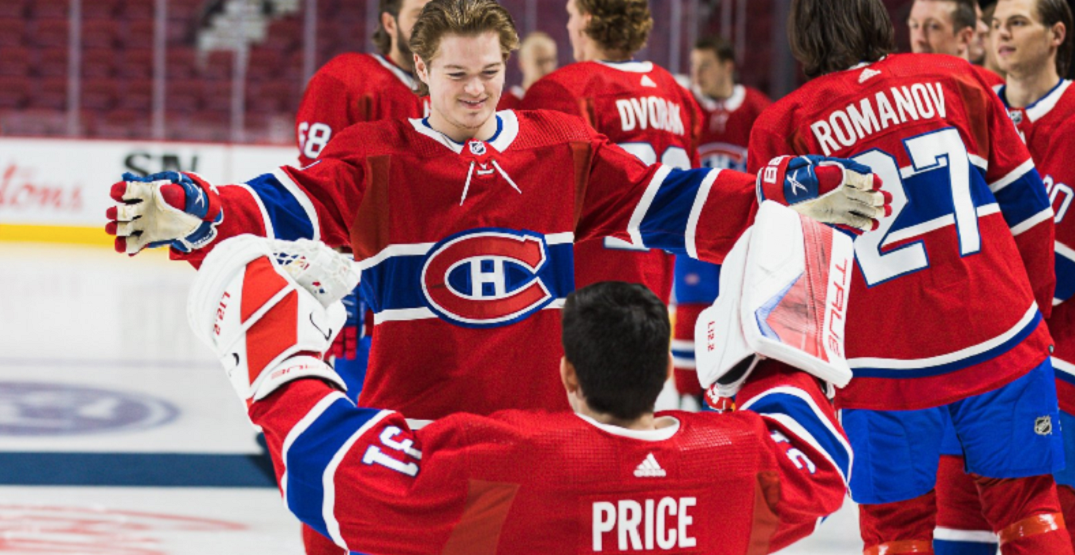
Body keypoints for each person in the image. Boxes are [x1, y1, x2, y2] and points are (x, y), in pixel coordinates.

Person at [187, 233, 852, 555]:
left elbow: (332, 473)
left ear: (568, 372)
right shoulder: (735, 459)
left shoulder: (508, 456)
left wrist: (283, 352)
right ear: (662, 369)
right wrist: (775, 349)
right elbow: (817, 455)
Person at [746, 0, 1066, 554]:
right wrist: (1030, 315)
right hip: (998, 332)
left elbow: (780, 272)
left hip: (883, 363)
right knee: (1030, 513)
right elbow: (1032, 213)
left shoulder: (784, 124)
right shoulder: (956, 77)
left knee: (898, 534)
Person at [933, 1, 1075, 553]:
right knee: (954, 540)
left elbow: (1058, 274)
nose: (1002, 35)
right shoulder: (971, 112)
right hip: (968, 376)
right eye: (997, 26)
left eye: (1018, 23)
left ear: (1057, 33)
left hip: (1055, 372)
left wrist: (964, 277)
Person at [517, 0, 704, 306]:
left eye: (571, 15)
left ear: (587, 20)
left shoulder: (563, 90)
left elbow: (530, 204)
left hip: (583, 295)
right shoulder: (676, 93)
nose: (567, 26)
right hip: (654, 290)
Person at [671, 35, 772, 407]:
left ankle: (736, 401)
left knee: (742, 323)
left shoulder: (759, 110)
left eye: (706, 65)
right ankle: (691, 402)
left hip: (742, 241)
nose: (697, 74)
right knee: (690, 320)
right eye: (694, 65)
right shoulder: (684, 110)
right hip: (693, 240)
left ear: (728, 66)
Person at [294, 0, 432, 167]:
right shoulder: (346, 79)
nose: (434, 27)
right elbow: (319, 175)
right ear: (390, 23)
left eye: (440, 17)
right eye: (419, 17)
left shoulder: (460, 89)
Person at [908, 0, 1006, 86]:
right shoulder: (898, 86)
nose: (919, 39)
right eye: (914, 25)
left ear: (964, 38)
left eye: (933, 26)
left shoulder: (992, 89)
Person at [496, 31, 557, 111]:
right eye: (540, 62)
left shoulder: (561, 103)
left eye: (551, 60)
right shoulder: (506, 106)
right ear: (522, 64)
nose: (548, 67)